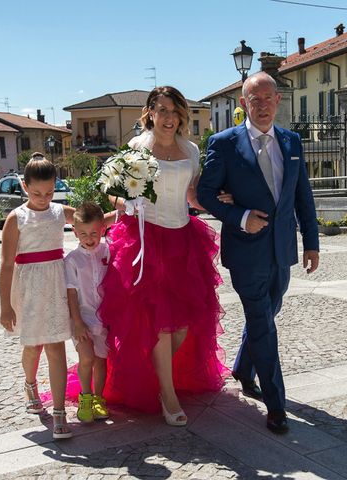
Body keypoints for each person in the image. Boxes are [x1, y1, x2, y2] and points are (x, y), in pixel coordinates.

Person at [98, 85, 231, 426]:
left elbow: (192, 196)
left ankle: (151, 375)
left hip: (183, 240)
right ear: (150, 114)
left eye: (175, 111)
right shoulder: (136, 149)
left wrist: (221, 202)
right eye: (163, 110)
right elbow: (114, 196)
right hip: (146, 240)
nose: (169, 118)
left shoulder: (191, 149)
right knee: (160, 324)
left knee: (185, 324)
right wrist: (129, 200)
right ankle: (167, 396)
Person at [197, 72, 320, 435]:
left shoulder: (292, 141)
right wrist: (241, 216)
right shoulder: (224, 143)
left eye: (268, 98)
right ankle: (276, 404)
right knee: (263, 324)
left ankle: (242, 368)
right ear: (243, 104)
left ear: (278, 100)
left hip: (282, 250)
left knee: (269, 313)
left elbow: (302, 197)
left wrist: (311, 242)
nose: (262, 105)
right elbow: (205, 194)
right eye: (255, 99)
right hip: (246, 252)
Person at [0, 153, 77, 440]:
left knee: (56, 346)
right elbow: (6, 264)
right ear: (25, 187)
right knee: (33, 346)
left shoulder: (60, 211)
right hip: (27, 288)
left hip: (54, 285)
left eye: (50, 192)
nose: (44, 197)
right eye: (37, 192)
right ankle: (30, 384)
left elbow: (93, 219)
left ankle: (60, 411)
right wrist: (5, 307)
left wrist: (124, 210)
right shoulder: (16, 218)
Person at [63, 202, 110, 423]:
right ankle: (86, 396)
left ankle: (99, 398)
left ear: (102, 229)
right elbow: (71, 294)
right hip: (81, 318)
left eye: (93, 233)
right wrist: (77, 321)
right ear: (75, 232)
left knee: (101, 359)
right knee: (87, 357)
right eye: (83, 234)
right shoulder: (72, 260)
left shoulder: (108, 251)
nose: (89, 239)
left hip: (104, 319)